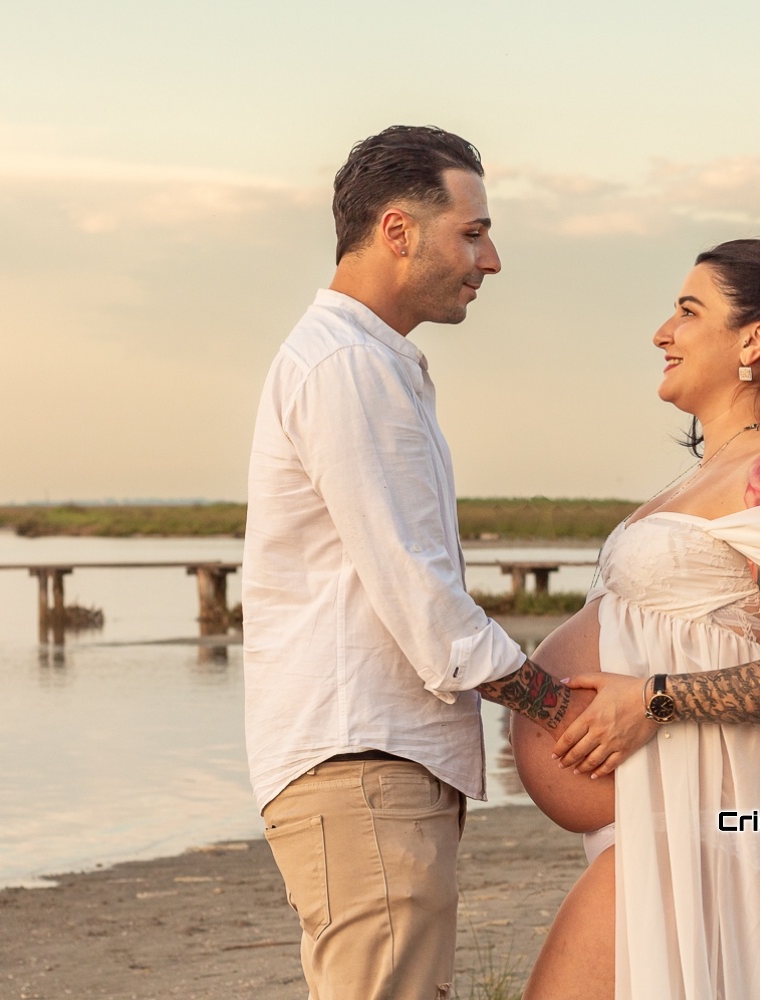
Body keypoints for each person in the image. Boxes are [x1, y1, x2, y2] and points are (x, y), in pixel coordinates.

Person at [242, 125, 590, 1000]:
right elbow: (425, 603)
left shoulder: (367, 362)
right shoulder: (349, 367)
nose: (491, 260)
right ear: (398, 231)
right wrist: (564, 711)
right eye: (472, 233)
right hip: (364, 761)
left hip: (373, 763)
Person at [509, 238, 760, 999]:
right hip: (658, 821)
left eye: (687, 311)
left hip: (696, 833)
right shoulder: (711, 476)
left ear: (751, 339)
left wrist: (653, 701)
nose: (662, 333)